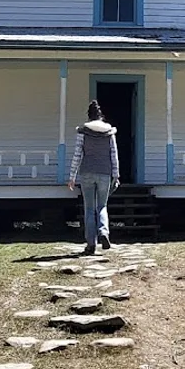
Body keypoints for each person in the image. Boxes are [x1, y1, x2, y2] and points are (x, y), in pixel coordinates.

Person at [67, 100, 120, 254]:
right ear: (100, 115)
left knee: (89, 209)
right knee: (102, 206)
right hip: (105, 172)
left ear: (89, 116)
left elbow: (78, 154)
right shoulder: (109, 132)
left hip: (87, 172)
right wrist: (116, 175)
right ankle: (104, 232)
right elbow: (113, 154)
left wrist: (72, 177)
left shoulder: (83, 132)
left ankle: (91, 243)